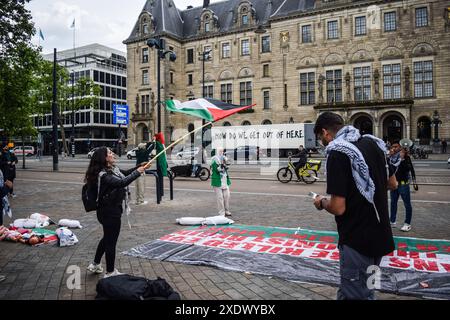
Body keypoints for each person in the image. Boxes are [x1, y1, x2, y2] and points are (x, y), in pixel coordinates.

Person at [312, 112, 397, 300]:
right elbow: (393, 184)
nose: (322, 142)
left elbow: (338, 207)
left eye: (320, 138)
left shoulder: (338, 152)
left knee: (355, 294)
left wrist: (321, 202)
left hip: (357, 241)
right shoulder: (374, 143)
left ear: (325, 133)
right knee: (366, 289)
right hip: (380, 238)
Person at [85, 147, 145, 278]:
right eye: (110, 153)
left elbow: (125, 173)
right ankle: (110, 272)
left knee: (107, 238)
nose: (113, 154)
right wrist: (138, 173)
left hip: (109, 210)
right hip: (109, 212)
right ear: (104, 158)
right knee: (111, 242)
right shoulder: (103, 174)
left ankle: (95, 264)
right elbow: (122, 182)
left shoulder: (112, 170)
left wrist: (139, 167)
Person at [389, 143, 415, 232]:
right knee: (393, 203)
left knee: (407, 204)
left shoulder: (406, 158)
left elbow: (408, 169)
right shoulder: (392, 158)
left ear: (400, 148)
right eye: (393, 147)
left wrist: (403, 158)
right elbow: (389, 169)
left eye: (396, 147)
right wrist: (389, 157)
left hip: (403, 184)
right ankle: (392, 221)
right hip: (394, 184)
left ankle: (407, 223)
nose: (394, 148)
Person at [211, 148, 231, 217]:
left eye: (222, 151)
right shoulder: (214, 159)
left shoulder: (225, 158)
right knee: (220, 198)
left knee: (227, 196)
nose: (221, 152)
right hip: (217, 180)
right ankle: (221, 212)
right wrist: (222, 167)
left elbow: (228, 165)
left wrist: (226, 165)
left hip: (224, 180)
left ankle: (227, 210)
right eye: (220, 151)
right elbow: (216, 169)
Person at [134, 140, 155, 205]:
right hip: (141, 170)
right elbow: (152, 147)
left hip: (136, 170)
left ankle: (137, 200)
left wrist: (148, 143)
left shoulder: (137, 152)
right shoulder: (145, 152)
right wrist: (153, 142)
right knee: (141, 186)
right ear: (144, 148)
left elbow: (146, 147)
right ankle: (141, 200)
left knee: (137, 186)